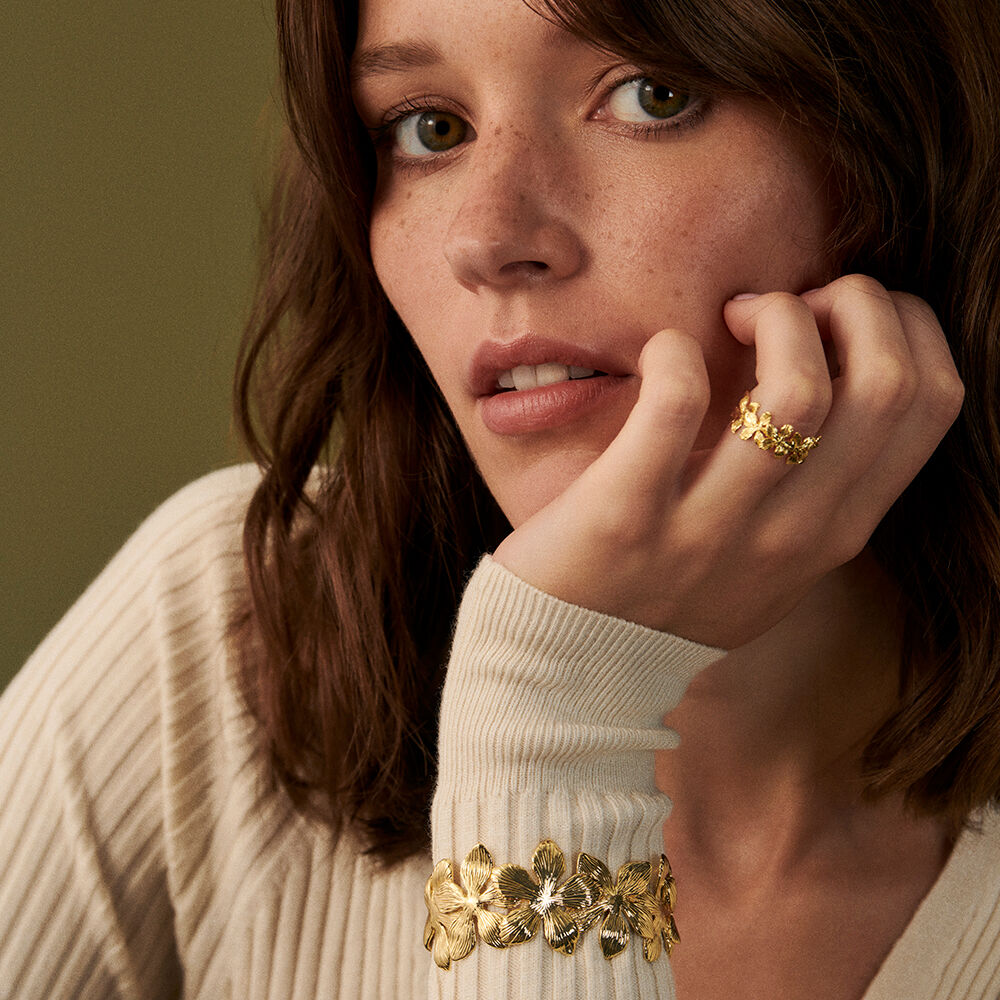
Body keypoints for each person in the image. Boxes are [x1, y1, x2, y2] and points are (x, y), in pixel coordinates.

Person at [2, 0, 999, 996]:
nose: (485, 237)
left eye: (652, 96)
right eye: (428, 128)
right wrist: (557, 704)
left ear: (908, 147)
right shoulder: (229, 626)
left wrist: (562, 710)